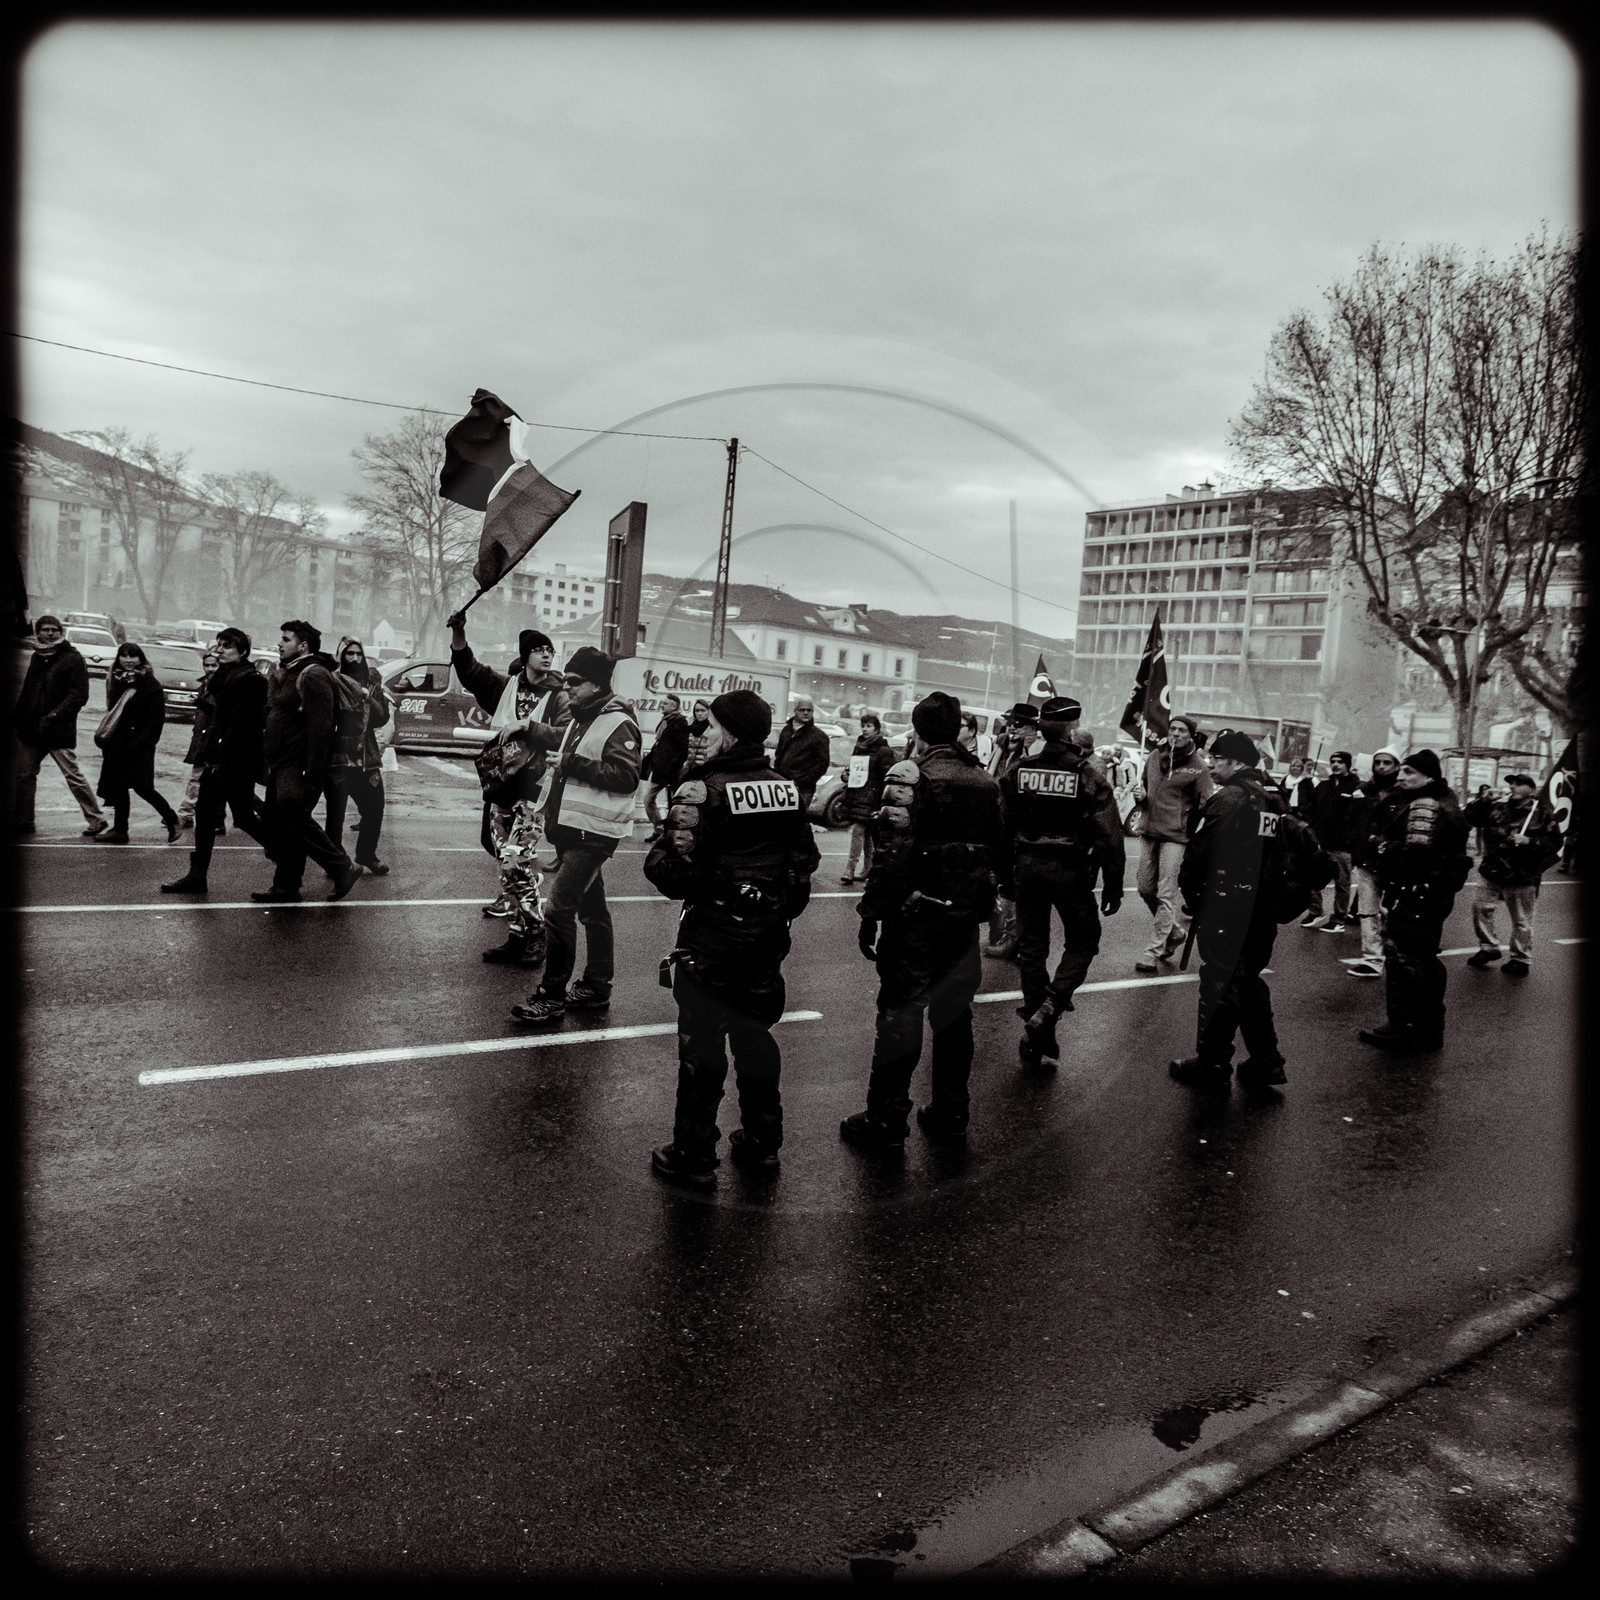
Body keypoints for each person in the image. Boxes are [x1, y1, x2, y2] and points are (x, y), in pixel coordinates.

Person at [644, 690, 821, 1188]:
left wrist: (669, 855)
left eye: (712, 727)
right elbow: (805, 862)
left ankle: (693, 1154)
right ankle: (763, 1143)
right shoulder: (785, 788)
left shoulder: (704, 790)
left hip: (713, 938)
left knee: (702, 1044)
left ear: (733, 734)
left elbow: (672, 875)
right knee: (755, 1035)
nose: (702, 735)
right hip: (766, 935)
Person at [840, 691, 1003, 1149]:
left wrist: (870, 913)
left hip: (915, 918)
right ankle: (952, 1111)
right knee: (955, 1016)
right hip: (962, 918)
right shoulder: (984, 780)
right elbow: (998, 850)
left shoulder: (911, 776)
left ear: (918, 730)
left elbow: (890, 855)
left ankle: (887, 1117)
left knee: (902, 1010)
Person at [511, 647, 641, 1024]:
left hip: (593, 834)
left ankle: (551, 995)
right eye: (566, 680)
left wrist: (571, 763)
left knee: (558, 910)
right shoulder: (583, 716)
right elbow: (559, 739)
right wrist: (529, 729)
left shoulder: (618, 722)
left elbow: (627, 777)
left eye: (574, 682)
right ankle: (597, 986)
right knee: (593, 912)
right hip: (572, 830)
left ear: (596, 684)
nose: (566, 688)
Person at [998, 696, 1125, 1068]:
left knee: (1032, 948)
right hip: (1069, 869)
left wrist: (1005, 878)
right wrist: (1113, 885)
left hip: (1027, 867)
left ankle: (1035, 1037)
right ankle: (1050, 1009)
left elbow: (1001, 828)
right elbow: (1109, 836)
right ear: (1072, 731)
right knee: (1084, 941)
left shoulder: (1020, 770)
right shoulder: (1087, 775)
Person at [1168, 729, 1289, 1091]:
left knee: (1220, 983)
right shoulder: (1274, 799)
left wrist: (1192, 895)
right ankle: (1267, 1060)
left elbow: (1200, 852)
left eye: (1217, 758)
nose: (1210, 764)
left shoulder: (1230, 797)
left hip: (1227, 904)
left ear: (1236, 762)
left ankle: (1212, 1062)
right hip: (1262, 907)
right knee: (1248, 981)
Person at [449, 614, 571, 966]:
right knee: (507, 867)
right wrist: (459, 632)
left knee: (515, 862)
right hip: (502, 789)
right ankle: (518, 936)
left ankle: (536, 934)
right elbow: (469, 670)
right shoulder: (506, 687)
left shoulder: (560, 695)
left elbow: (567, 735)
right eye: (539, 650)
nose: (546, 655)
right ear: (525, 655)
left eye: (550, 650)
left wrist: (527, 725)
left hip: (533, 793)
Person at [1358, 749, 1471, 1052]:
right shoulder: (1445, 801)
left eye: (1409, 772)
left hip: (1416, 893)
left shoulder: (1425, 805)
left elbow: (1416, 855)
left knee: (1403, 957)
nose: (1401, 776)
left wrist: (1383, 846)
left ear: (1428, 776)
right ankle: (1430, 1028)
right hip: (1433, 893)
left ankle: (1404, 1026)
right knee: (1425, 957)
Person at [253, 619, 361, 903]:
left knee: (293, 815)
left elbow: (321, 728)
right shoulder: (289, 672)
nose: (280, 644)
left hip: (298, 762)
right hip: (282, 760)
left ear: (302, 646)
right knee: (281, 823)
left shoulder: (313, 675)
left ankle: (342, 867)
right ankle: (286, 885)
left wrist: (312, 772)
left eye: (286, 639)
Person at [160, 628, 273, 894]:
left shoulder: (250, 680)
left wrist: (222, 759)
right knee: (207, 813)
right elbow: (225, 716)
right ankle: (197, 875)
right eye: (219, 644)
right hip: (220, 757)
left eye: (227, 646)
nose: (220, 650)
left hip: (236, 760)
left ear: (242, 652)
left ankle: (287, 855)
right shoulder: (225, 676)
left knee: (243, 817)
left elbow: (242, 725)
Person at [8, 613, 108, 836]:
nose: (51, 633)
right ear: (38, 633)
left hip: (58, 730)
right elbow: (28, 692)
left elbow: (79, 695)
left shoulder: (72, 658)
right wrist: (15, 719)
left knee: (73, 776)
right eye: (46, 629)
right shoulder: (38, 656)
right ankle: (24, 820)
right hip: (32, 729)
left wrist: (53, 716)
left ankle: (97, 819)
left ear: (61, 633)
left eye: (54, 630)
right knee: (24, 775)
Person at [1132, 713, 1213, 972]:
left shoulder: (1198, 767)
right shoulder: (1154, 757)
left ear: (1191, 736)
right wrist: (1140, 796)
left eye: (1181, 730)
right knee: (1145, 889)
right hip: (1149, 830)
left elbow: (1207, 805)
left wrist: (1195, 835)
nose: (1175, 734)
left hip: (1176, 837)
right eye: (1172, 729)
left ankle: (1153, 951)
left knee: (1166, 893)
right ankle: (1175, 932)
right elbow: (1145, 792)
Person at [1463, 773, 1563, 977]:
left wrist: (1530, 842)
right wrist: (1484, 800)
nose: (1513, 786)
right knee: (1480, 908)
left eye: (1519, 784)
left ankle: (1520, 958)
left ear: (1532, 790)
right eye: (1512, 783)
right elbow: (1469, 818)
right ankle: (1488, 947)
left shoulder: (1541, 813)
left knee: (1521, 919)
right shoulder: (1497, 807)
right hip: (1491, 870)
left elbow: (1555, 843)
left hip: (1522, 875)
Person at [92, 643, 180, 843]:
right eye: (123, 656)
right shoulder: (117, 680)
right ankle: (120, 830)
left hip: (139, 746)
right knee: (118, 786)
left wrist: (142, 742)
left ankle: (172, 819)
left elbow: (156, 720)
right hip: (118, 743)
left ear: (141, 659)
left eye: (133, 656)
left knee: (143, 787)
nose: (128, 660)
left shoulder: (149, 684)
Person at [324, 636, 392, 877]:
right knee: (336, 814)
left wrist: (368, 696)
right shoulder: (331, 681)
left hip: (367, 758)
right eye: (349, 653)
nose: (354, 658)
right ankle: (335, 862)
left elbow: (381, 718)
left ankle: (366, 855)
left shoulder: (371, 682)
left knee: (375, 808)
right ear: (341, 655)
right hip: (338, 759)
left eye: (358, 653)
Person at [982, 703, 1039, 958]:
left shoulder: (1037, 753)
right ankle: (1006, 935)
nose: (1012, 729)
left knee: (1021, 885)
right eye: (1009, 724)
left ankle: (1017, 941)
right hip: (1001, 823)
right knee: (1002, 879)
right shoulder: (1004, 748)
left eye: (1018, 724)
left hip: (1023, 828)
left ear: (1033, 728)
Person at [1342, 747, 1403, 978]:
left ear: (1397, 766)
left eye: (1387, 763)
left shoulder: (1404, 793)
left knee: (1396, 911)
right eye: (1378, 762)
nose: (1381, 767)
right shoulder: (1362, 790)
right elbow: (1350, 820)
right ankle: (1372, 959)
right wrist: (1356, 843)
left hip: (1395, 861)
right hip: (1366, 858)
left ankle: (1400, 957)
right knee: (1367, 911)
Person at [1303, 750, 1363, 930]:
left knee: (1342, 883)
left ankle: (1338, 918)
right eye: (1333, 761)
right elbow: (1311, 808)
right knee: (1313, 878)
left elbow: (1359, 816)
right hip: (1320, 841)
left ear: (1348, 765)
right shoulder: (1323, 786)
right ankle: (1315, 912)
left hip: (1343, 845)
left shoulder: (1356, 786)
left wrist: (1351, 839)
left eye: (1340, 762)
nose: (1335, 765)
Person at [840, 711, 895, 885]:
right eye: (863, 726)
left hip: (872, 797)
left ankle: (850, 869)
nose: (865, 729)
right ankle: (867, 868)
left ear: (877, 729)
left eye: (869, 726)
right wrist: (846, 775)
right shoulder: (859, 747)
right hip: (857, 794)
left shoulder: (884, 750)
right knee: (867, 833)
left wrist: (882, 802)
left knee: (859, 830)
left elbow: (886, 777)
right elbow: (852, 769)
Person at [176, 645, 222, 835]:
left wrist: (199, 702)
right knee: (210, 780)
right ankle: (191, 814)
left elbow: (218, 712)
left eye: (214, 665)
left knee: (199, 778)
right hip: (202, 738)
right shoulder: (205, 684)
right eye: (207, 665)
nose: (210, 669)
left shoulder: (221, 686)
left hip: (212, 739)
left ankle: (186, 813)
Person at [642, 693, 690, 838]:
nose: (661, 705)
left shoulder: (679, 722)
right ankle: (660, 830)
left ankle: (669, 831)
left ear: (674, 706)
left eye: (665, 703)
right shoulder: (666, 721)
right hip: (659, 768)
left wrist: (671, 767)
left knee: (667, 802)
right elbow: (660, 744)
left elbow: (683, 749)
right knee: (651, 799)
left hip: (669, 770)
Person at [773, 697, 830, 815]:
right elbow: (779, 756)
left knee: (797, 819)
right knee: (780, 819)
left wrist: (802, 782)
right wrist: (777, 777)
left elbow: (822, 764)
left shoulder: (819, 736)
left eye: (809, 710)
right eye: (802, 709)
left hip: (803, 790)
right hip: (782, 786)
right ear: (795, 711)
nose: (806, 712)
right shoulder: (786, 730)